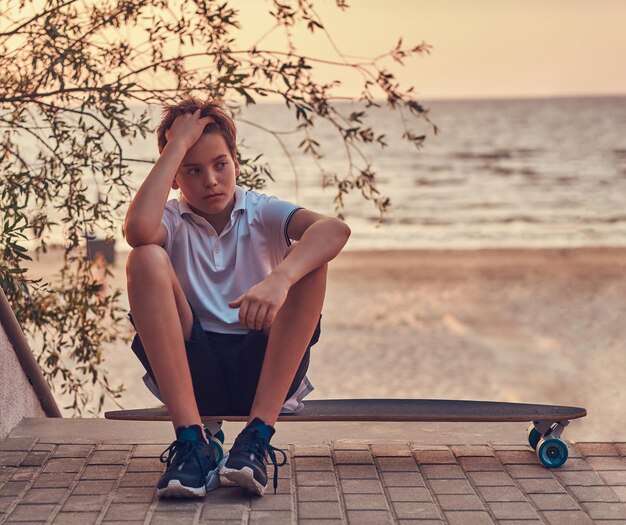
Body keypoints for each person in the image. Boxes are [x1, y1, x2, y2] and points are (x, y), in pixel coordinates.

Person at [124, 98, 350, 498]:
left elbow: (334, 230)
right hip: (193, 377)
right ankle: (193, 443)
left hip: (262, 373)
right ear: (173, 176)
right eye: (192, 170)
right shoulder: (172, 220)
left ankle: (255, 440)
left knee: (312, 258)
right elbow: (139, 230)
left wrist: (279, 279)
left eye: (220, 164)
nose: (210, 180)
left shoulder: (260, 211)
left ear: (236, 164)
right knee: (144, 258)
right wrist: (175, 145)